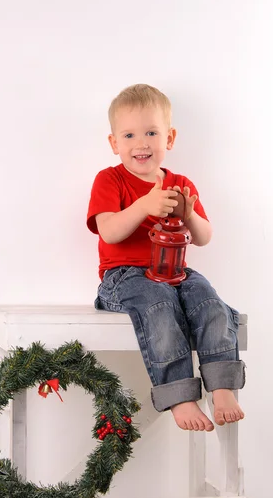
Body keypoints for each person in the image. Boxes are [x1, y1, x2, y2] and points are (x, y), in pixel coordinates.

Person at [86, 84, 245, 432]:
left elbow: (203, 237)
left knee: (211, 304)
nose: (141, 143)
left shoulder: (179, 182)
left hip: (176, 271)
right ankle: (179, 395)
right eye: (129, 134)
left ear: (169, 138)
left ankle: (222, 385)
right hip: (124, 276)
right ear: (115, 144)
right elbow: (109, 231)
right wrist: (143, 205)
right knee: (159, 306)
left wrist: (189, 214)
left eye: (151, 133)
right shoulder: (109, 180)